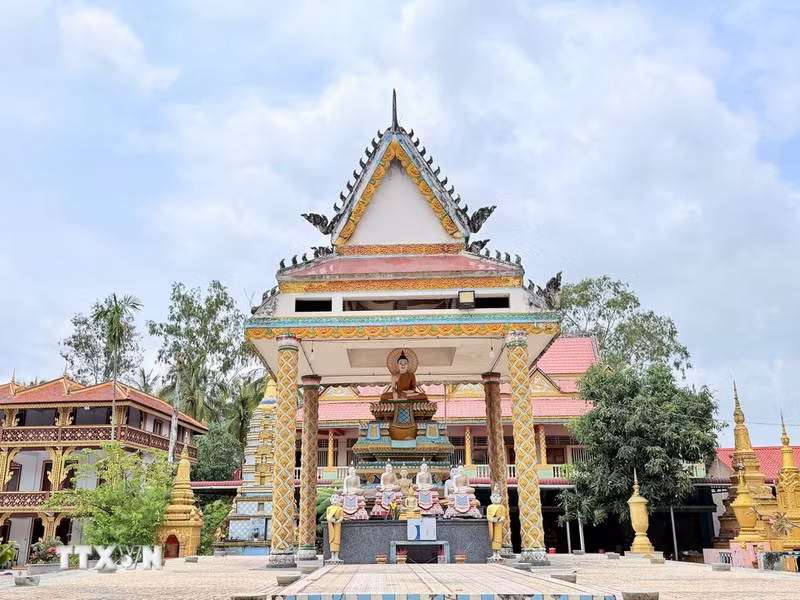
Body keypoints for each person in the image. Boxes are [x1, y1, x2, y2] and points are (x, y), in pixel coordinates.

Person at [326, 493, 344, 561]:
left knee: (337, 540)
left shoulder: (340, 509)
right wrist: (331, 519)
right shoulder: (329, 508)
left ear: (339, 499)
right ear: (330, 500)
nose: (335, 499)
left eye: (336, 497)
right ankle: (332, 556)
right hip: (331, 525)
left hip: (337, 525)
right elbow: (327, 516)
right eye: (333, 497)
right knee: (332, 540)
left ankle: (336, 556)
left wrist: (338, 520)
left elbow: (341, 516)